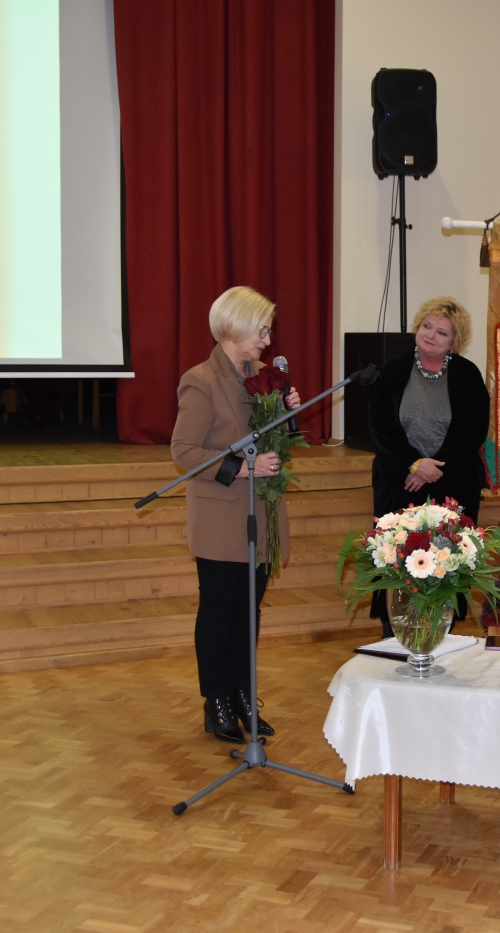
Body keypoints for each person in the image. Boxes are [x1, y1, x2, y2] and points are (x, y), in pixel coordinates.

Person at [171, 286, 300, 744]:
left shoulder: (267, 377)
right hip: (221, 515)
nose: (267, 340)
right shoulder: (200, 380)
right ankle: (217, 700)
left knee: (249, 611)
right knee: (219, 610)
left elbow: (280, 443)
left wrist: (289, 413)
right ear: (234, 327)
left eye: (268, 330)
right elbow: (183, 450)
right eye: (261, 330)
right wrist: (242, 467)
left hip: (260, 513)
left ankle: (245, 694)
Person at [368, 296, 490, 637]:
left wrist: (434, 468)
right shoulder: (393, 370)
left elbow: (473, 430)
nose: (431, 335)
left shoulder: (467, 374)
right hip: (400, 483)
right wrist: (414, 463)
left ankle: (440, 635)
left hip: (452, 484)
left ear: (454, 341)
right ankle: (394, 634)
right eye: (427, 326)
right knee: (397, 560)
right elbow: (379, 426)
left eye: (442, 332)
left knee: (446, 563)